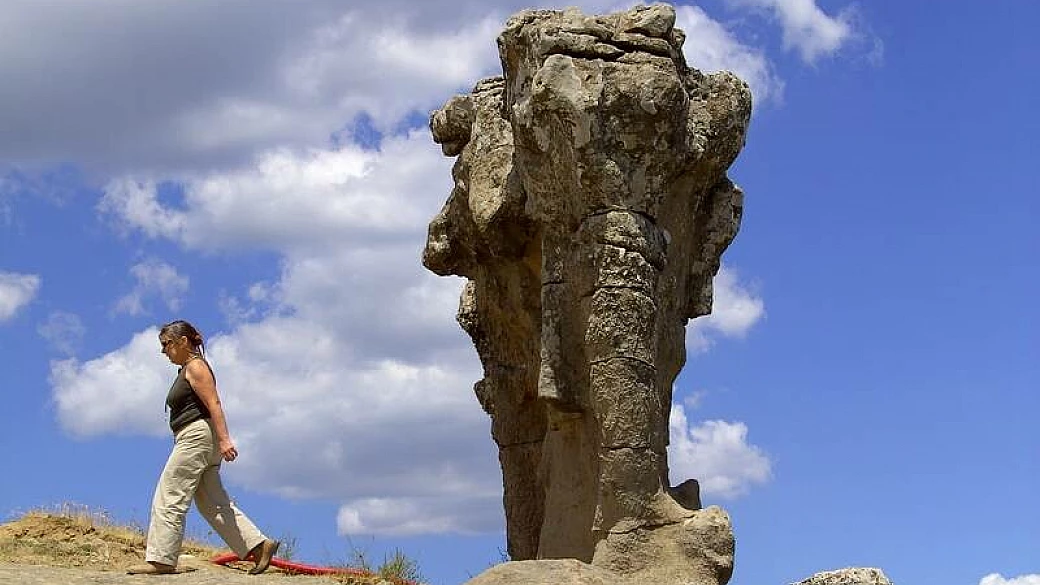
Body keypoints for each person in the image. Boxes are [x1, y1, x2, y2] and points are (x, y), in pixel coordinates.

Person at [127, 320, 280, 575]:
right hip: (201, 439)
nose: (164, 351)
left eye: (166, 345)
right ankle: (258, 545)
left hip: (196, 437)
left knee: (170, 494)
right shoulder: (188, 368)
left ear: (183, 342)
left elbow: (214, 403)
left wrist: (225, 440)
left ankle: (161, 559)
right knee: (212, 502)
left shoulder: (195, 367)